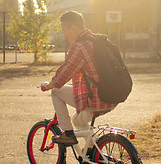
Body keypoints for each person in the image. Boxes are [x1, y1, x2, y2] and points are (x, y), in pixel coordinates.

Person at [41, 11, 117, 146]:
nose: (64, 34)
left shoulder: (80, 46)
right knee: (78, 120)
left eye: (64, 30)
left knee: (56, 91)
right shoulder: (98, 39)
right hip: (111, 95)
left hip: (96, 98)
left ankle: (68, 134)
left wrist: (47, 86)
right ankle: (93, 154)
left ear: (74, 29)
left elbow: (61, 77)